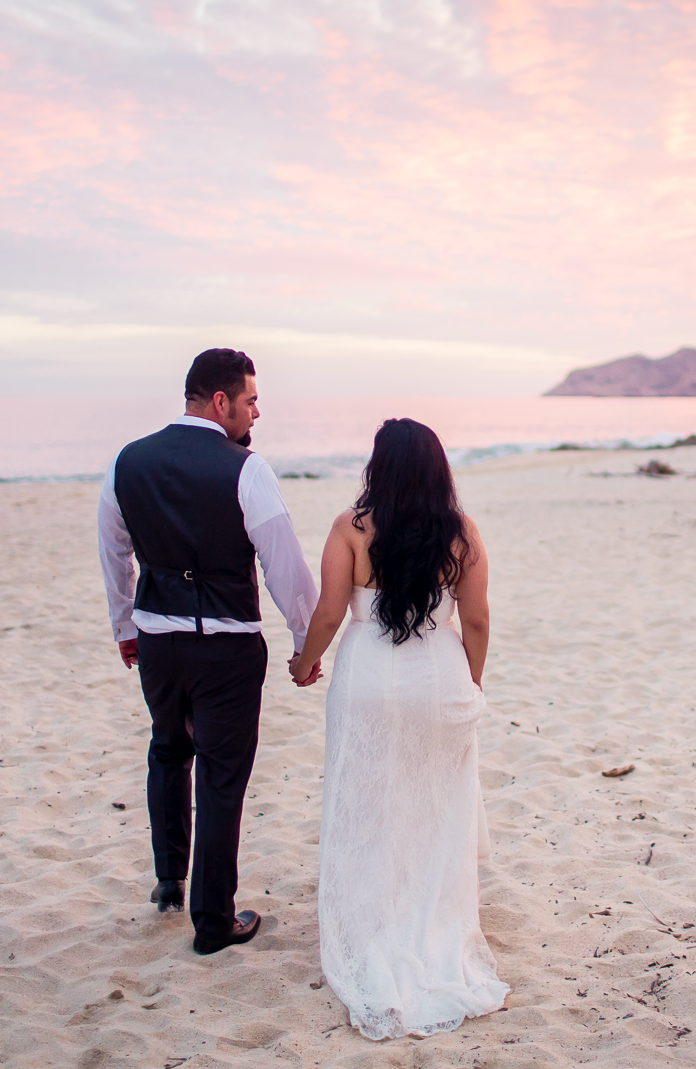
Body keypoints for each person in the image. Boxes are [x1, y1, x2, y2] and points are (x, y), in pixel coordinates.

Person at [285, 418, 510, 1039]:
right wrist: (474, 680)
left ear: (377, 467)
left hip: (369, 683)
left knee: (367, 801)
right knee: (435, 804)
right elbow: (478, 621)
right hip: (437, 679)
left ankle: (372, 922)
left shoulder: (350, 528)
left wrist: (305, 663)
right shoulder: (461, 533)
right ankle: (431, 918)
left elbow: (330, 612)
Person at [97, 348, 318, 955]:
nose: (255, 414)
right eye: (250, 401)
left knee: (168, 750)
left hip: (158, 643)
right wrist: (306, 637)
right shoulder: (246, 469)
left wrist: (125, 625)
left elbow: (113, 551)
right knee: (222, 778)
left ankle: (170, 881)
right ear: (220, 402)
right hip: (227, 648)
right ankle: (213, 921)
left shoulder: (128, 462)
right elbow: (282, 562)